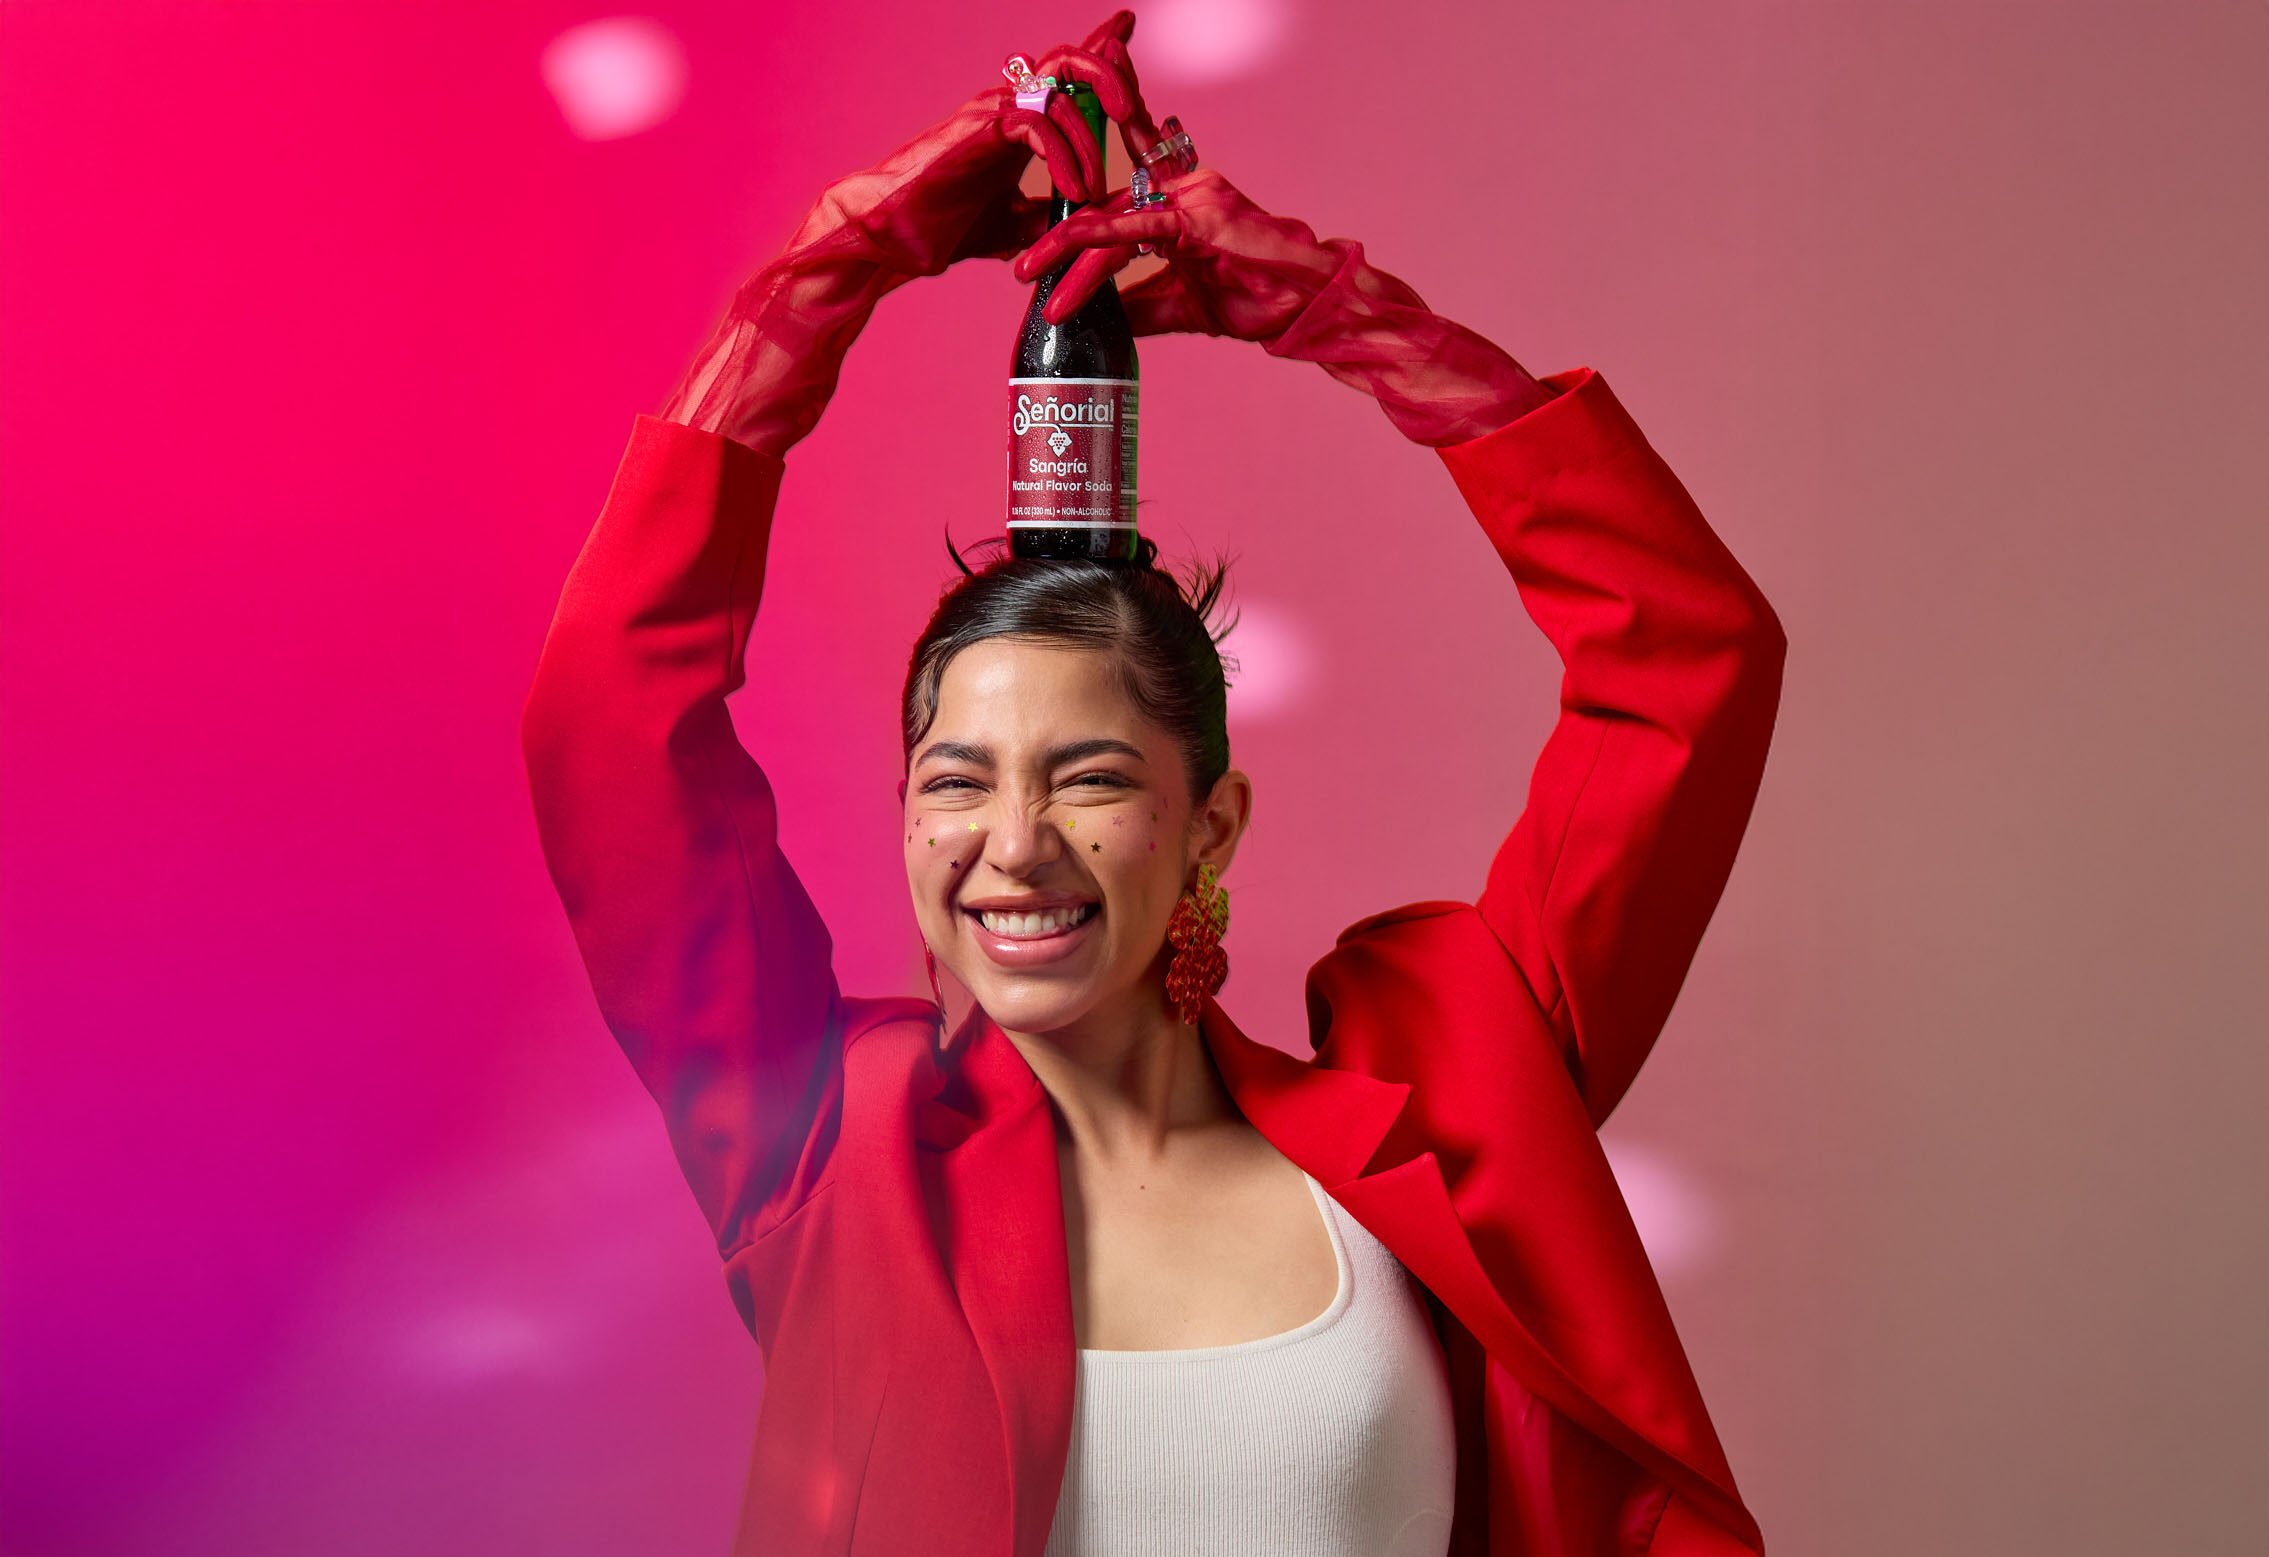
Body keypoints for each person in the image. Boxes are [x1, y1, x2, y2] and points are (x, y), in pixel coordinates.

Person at [521, 13, 1784, 1556]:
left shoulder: (1447, 1106)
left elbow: (1685, 662)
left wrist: (1342, 312)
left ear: (1212, 823)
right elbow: (607, 717)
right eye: (958, 780)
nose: (1012, 845)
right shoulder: (823, 1144)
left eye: (1089, 777)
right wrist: (829, 268)